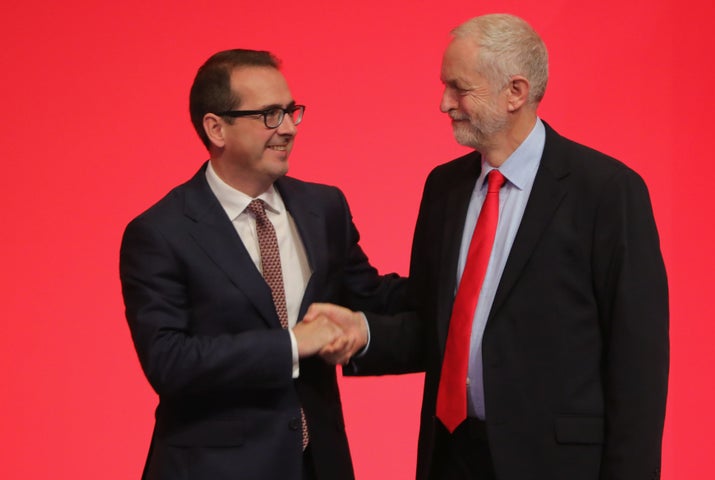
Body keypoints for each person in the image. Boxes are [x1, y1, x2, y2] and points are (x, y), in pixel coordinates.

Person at [306, 13, 669, 480]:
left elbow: (637, 362)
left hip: (556, 464)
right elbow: (435, 323)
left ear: (515, 92)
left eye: (459, 88)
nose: (444, 103)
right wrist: (364, 332)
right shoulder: (444, 187)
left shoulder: (607, 191)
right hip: (452, 457)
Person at [119, 49, 405, 480]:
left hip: (318, 465)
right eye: (270, 114)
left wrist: (463, 279)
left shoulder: (324, 207)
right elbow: (170, 361)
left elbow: (373, 297)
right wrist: (293, 344)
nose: (288, 128)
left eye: (291, 111)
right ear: (216, 128)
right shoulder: (161, 232)